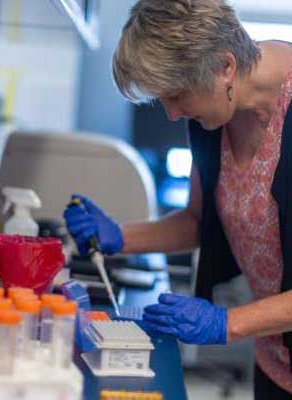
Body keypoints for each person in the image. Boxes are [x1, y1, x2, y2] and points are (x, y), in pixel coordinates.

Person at [63, 0, 292, 398]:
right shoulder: (215, 117)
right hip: (274, 359)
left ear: (225, 67)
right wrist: (118, 236)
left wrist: (228, 323)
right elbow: (196, 220)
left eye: (177, 95)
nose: (171, 115)